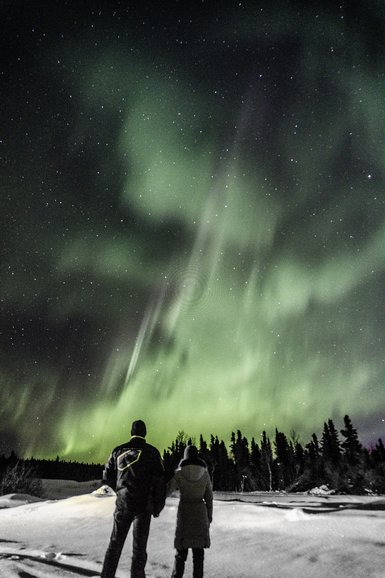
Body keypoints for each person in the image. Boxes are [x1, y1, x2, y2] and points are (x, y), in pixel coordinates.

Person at [101, 419, 166, 578]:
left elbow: (107, 477)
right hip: (143, 506)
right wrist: (157, 506)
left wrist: (120, 492)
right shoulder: (152, 452)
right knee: (139, 549)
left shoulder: (117, 451)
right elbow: (160, 483)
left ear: (131, 433)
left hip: (123, 505)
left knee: (115, 545)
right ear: (145, 433)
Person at [168, 445, 213, 578]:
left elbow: (168, 489)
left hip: (185, 515)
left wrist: (155, 502)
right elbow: (209, 497)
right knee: (198, 555)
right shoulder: (205, 474)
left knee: (181, 553)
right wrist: (209, 517)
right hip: (200, 514)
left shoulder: (180, 473)